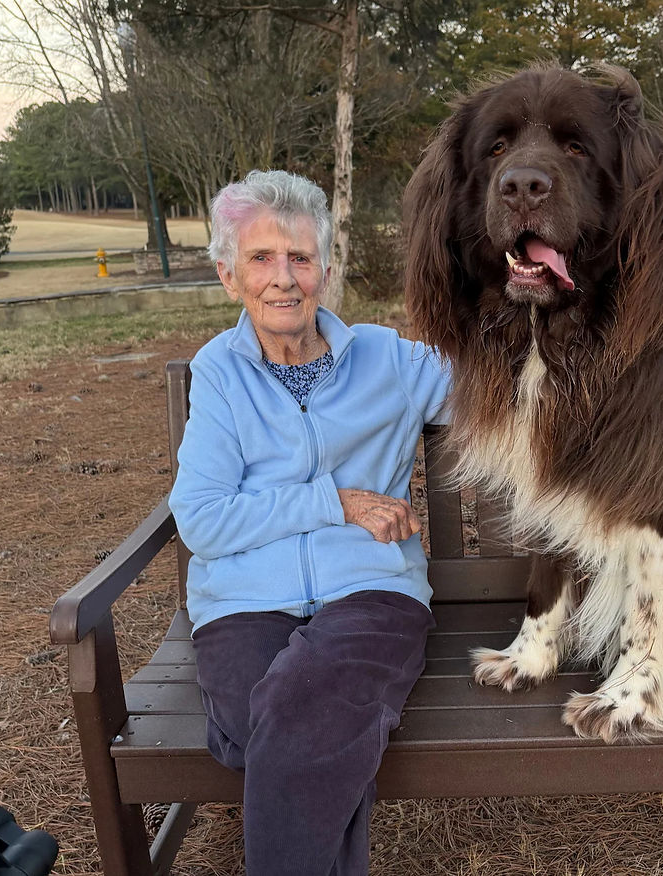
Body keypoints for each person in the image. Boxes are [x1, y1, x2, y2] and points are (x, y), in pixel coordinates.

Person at [168, 169, 451, 875]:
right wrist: (338, 503)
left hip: (371, 592)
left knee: (287, 720)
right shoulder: (220, 374)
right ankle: (302, 726)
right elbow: (202, 519)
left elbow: (502, 392)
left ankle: (284, 732)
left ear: (327, 270)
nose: (283, 279)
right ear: (229, 276)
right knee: (295, 725)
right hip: (242, 601)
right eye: (262, 258)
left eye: (300, 258)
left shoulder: (390, 359)